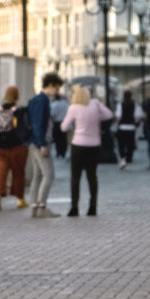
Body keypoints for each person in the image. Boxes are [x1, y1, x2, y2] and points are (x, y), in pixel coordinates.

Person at [60, 84, 113, 217]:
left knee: (75, 178)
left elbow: (64, 127)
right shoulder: (95, 104)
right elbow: (109, 114)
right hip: (94, 145)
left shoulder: (73, 108)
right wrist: (96, 118)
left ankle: (74, 207)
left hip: (78, 144)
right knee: (92, 176)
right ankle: (93, 207)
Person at [25, 72, 62, 218]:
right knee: (49, 174)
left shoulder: (35, 99)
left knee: (38, 175)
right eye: (57, 88)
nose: (57, 91)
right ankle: (41, 206)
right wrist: (42, 144)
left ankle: (35, 206)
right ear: (51, 85)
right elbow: (38, 123)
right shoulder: (43, 100)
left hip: (33, 141)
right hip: (40, 141)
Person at [0, 85, 29, 211]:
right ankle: (20, 200)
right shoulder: (20, 110)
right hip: (16, 147)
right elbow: (23, 129)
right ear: (17, 96)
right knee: (18, 172)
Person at [114, 90, 143, 170]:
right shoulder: (135, 105)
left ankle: (123, 159)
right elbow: (138, 117)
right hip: (131, 127)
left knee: (121, 145)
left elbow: (118, 117)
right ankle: (128, 158)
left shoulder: (120, 105)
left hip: (122, 127)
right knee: (130, 144)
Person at [49, 89, 69, 158]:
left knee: (57, 138)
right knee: (63, 137)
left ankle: (59, 151)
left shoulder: (54, 104)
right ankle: (63, 151)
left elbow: (52, 115)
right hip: (64, 121)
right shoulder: (66, 103)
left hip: (57, 122)